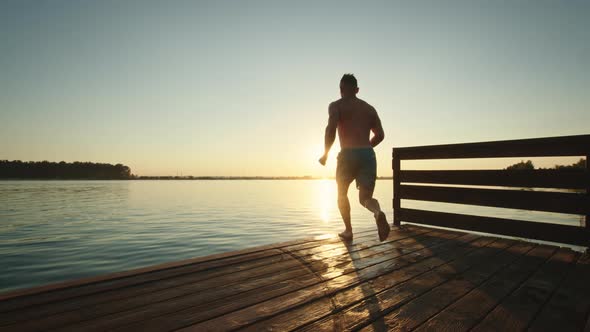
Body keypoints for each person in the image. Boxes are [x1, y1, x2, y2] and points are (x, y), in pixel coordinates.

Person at [318, 73, 390, 242]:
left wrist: (325, 153)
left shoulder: (336, 106)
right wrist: (366, 148)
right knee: (365, 198)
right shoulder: (369, 109)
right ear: (357, 90)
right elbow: (380, 135)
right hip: (367, 154)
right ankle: (377, 213)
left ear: (341, 89)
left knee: (342, 194)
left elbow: (331, 130)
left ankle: (349, 231)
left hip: (347, 154)